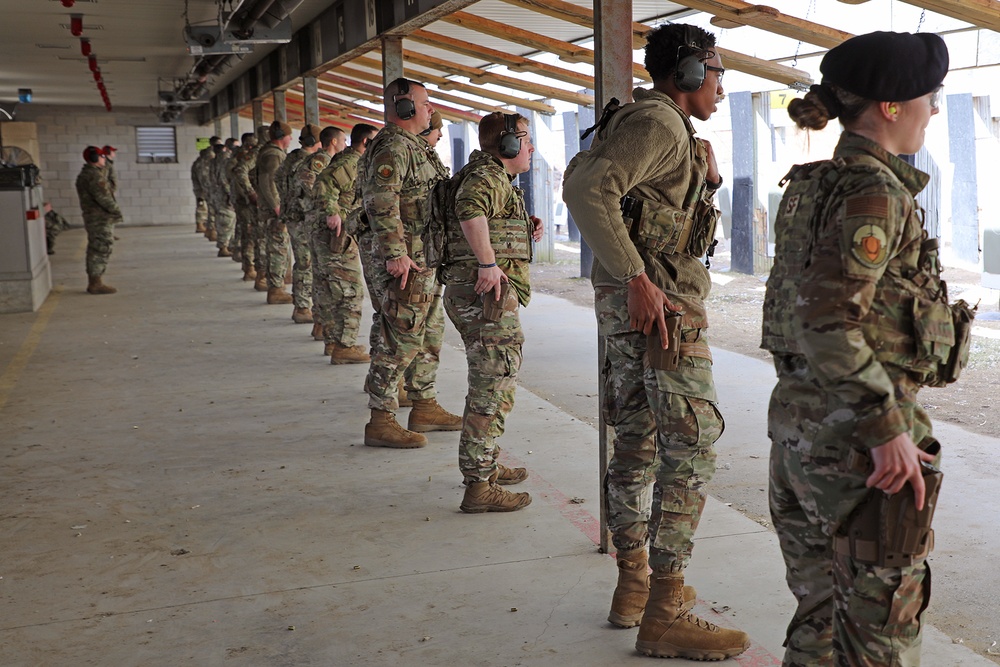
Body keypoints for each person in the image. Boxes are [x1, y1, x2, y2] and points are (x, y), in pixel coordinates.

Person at [762, 32, 958, 667]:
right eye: (931, 97)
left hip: (798, 433)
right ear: (893, 106)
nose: (935, 109)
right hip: (858, 453)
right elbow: (825, 317)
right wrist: (884, 428)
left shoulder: (812, 184)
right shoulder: (875, 194)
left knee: (818, 623)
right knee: (881, 640)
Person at [563, 23, 749, 660]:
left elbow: (639, 202)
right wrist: (637, 277)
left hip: (636, 312)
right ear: (690, 73)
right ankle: (665, 606)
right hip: (660, 312)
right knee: (691, 445)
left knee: (636, 444)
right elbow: (587, 190)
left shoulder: (660, 126)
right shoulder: (660, 124)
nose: (722, 87)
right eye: (717, 73)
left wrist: (704, 176)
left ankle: (634, 588)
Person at [440, 112, 543, 513]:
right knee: (492, 386)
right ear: (508, 144)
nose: (531, 147)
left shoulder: (494, 177)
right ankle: (479, 484)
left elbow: (484, 217)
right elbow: (469, 208)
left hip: (481, 295)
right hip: (484, 296)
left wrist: (519, 226)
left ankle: (486, 464)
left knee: (493, 383)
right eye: (525, 139)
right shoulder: (487, 177)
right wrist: (487, 262)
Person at [359, 77, 461, 448]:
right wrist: (395, 253)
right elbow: (379, 199)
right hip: (408, 260)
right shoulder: (393, 147)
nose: (431, 109)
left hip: (426, 258)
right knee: (398, 339)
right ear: (404, 107)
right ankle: (381, 419)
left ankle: (424, 404)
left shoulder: (416, 147)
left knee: (428, 335)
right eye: (425, 102)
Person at [305, 125, 377, 363]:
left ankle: (334, 342)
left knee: (330, 289)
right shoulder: (351, 163)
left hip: (333, 233)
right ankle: (344, 345)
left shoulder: (352, 161)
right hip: (337, 234)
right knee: (350, 291)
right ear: (365, 142)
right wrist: (332, 211)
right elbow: (324, 184)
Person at [278, 124, 322, 323]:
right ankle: (303, 307)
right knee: (306, 263)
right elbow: (310, 193)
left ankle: (302, 303)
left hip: (292, 215)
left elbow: (277, 178)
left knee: (302, 261)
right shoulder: (307, 162)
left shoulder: (290, 158)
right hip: (302, 218)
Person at [75, 146, 123, 294]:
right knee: (100, 248)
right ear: (95, 158)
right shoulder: (94, 176)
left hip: (95, 217)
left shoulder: (90, 174)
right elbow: (104, 198)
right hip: (99, 218)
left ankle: (95, 281)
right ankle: (95, 283)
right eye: (102, 156)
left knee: (98, 247)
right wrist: (117, 211)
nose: (104, 159)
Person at [256, 121, 294, 305]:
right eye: (289, 135)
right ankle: (276, 289)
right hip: (274, 212)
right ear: (281, 136)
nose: (291, 139)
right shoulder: (273, 155)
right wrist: (277, 206)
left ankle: (277, 285)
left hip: (270, 210)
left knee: (277, 247)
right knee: (278, 248)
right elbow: (268, 182)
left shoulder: (269, 152)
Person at [228, 131, 258, 274]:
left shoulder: (236, 156)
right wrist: (250, 192)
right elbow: (237, 174)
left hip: (241, 198)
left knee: (244, 230)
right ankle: (249, 266)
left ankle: (247, 264)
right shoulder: (244, 158)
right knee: (248, 232)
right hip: (244, 200)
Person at [211, 138, 238, 258]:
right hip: (224, 195)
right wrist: (230, 194)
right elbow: (223, 178)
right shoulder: (224, 159)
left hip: (219, 193)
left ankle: (228, 245)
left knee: (228, 220)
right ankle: (223, 247)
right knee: (226, 220)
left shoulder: (216, 159)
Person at [191, 145, 210, 234]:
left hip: (201, 190)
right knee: (202, 207)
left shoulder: (199, 162)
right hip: (202, 191)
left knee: (203, 207)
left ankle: (203, 225)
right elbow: (204, 179)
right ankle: (200, 225)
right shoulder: (202, 164)